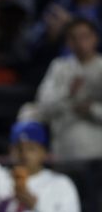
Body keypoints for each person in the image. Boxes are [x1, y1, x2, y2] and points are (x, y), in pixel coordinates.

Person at [35, 17, 102, 163]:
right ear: (68, 42)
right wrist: (68, 92)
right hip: (64, 153)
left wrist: (92, 109)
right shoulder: (59, 67)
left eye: (85, 36)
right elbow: (43, 107)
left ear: (95, 38)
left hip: (97, 154)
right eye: (74, 38)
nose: (80, 43)